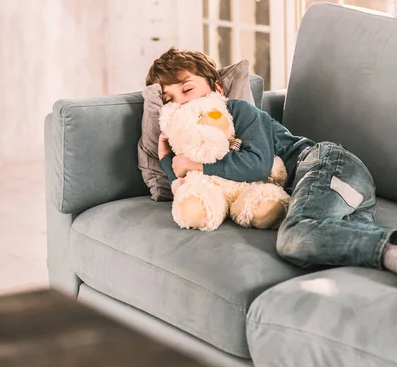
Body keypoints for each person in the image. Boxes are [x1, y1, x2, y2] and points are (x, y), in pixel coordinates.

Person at [145, 47, 397, 274]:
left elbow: (258, 166)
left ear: (217, 89)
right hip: (345, 192)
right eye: (170, 101)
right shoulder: (196, 142)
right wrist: (167, 157)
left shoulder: (239, 111)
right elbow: (184, 179)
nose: (182, 102)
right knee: (314, 252)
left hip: (327, 165)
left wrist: (196, 164)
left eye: (187, 89)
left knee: (294, 237)